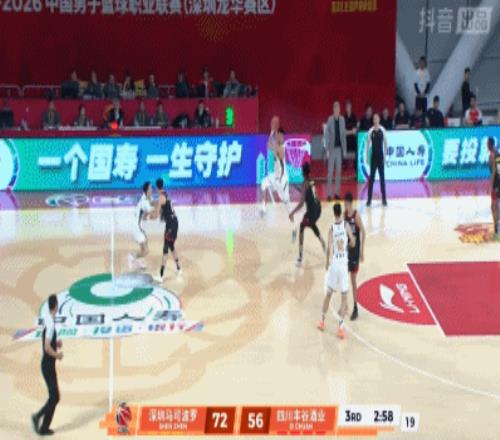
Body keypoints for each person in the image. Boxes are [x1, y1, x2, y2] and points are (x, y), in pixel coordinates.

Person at [318, 203, 355, 338]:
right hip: (343, 265)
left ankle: (322, 321)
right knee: (344, 296)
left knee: (328, 294)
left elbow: (329, 248)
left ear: (334, 214)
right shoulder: (346, 226)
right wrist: (349, 244)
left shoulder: (332, 228)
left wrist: (327, 263)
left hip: (334, 264)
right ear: (341, 212)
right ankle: (340, 328)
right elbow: (352, 242)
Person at [32, 294, 63, 436]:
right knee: (55, 397)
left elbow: (48, 341)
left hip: (48, 366)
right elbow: (46, 347)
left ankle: (41, 422)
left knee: (54, 396)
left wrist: (56, 343)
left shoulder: (49, 320)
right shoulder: (50, 323)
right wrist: (57, 355)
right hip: (48, 366)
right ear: (56, 305)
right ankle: (40, 420)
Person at [289, 162, 326, 266]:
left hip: (312, 211)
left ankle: (300, 258)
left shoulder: (304, 184)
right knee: (310, 223)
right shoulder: (312, 181)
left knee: (302, 226)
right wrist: (300, 189)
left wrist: (292, 212)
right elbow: (311, 193)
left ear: (302, 172)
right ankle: (323, 242)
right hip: (318, 209)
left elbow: (301, 203)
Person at [155, 178, 181, 283]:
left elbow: (157, 214)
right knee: (171, 246)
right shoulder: (167, 195)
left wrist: (148, 216)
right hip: (175, 222)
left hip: (170, 225)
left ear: (157, 187)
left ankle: (161, 276)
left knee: (165, 249)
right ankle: (179, 268)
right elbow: (168, 210)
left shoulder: (161, 197)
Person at [343, 192, 365, 320]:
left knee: (353, 280)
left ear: (349, 203)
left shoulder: (356, 215)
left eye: (345, 203)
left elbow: (363, 232)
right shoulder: (345, 215)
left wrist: (362, 251)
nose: (344, 205)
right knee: (344, 278)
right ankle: (345, 304)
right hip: (347, 250)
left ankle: (355, 307)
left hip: (355, 252)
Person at [129, 182, 156, 270]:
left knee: (145, 248)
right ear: (147, 190)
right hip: (137, 228)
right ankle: (132, 257)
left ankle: (140, 262)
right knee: (146, 250)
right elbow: (152, 213)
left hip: (138, 226)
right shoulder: (144, 202)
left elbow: (152, 203)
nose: (152, 189)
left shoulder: (146, 197)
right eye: (151, 188)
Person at [324, 101, 347, 201]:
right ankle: (329, 194)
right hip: (331, 148)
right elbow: (327, 135)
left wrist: (344, 149)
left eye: (338, 108)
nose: (337, 110)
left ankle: (337, 193)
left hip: (339, 149)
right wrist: (327, 149)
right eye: (335, 108)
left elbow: (343, 135)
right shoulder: (330, 119)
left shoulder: (342, 120)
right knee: (330, 172)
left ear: (339, 110)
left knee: (338, 171)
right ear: (333, 110)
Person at [366, 113, 388, 207]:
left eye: (377, 118)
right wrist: (367, 157)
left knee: (382, 178)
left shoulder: (383, 130)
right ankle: (369, 200)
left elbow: (386, 144)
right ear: (373, 120)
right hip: (373, 157)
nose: (375, 120)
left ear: (379, 120)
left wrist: (385, 157)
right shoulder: (370, 131)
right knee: (371, 179)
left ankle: (384, 199)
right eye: (374, 119)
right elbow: (367, 145)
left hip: (380, 157)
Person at [488, 137, 499, 234]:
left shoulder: (493, 155)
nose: (487, 146)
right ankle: (496, 223)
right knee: (495, 204)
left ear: (490, 144)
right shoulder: (497, 153)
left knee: (493, 205)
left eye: (487, 144)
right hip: (498, 181)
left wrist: (491, 186)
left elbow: (494, 171)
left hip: (496, 183)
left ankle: (496, 224)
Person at [344, 100, 358, 168]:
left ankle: (355, 163)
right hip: (345, 138)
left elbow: (355, 131)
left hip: (353, 138)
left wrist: (348, 132)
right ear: (345, 108)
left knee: (356, 144)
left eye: (349, 107)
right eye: (347, 107)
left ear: (351, 107)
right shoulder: (343, 117)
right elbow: (343, 132)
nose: (348, 108)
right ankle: (344, 163)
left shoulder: (354, 116)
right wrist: (350, 131)